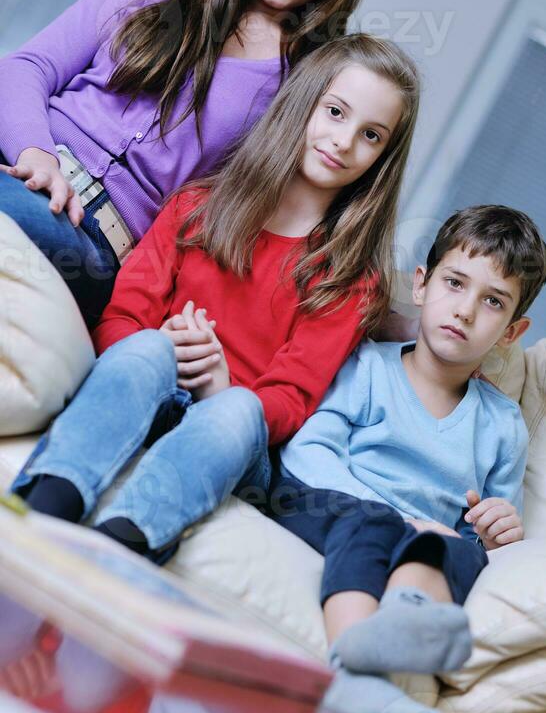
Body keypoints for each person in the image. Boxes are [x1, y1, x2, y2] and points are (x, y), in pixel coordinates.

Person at [11, 34, 420, 573]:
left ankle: (122, 544)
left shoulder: (348, 276)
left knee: (238, 410)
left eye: (370, 135)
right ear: (303, 105)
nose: (343, 141)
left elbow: (290, 398)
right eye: (335, 113)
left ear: (383, 159)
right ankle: (46, 504)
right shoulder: (198, 206)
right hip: (151, 389)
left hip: (233, 429)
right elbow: (119, 319)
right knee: (144, 352)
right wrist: (164, 347)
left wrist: (218, 384)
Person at [0, 0, 383, 327]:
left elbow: (299, 227)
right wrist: (35, 152)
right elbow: (26, 67)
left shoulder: (312, 87)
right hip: (19, 162)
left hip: (89, 237)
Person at [267, 205, 546, 713]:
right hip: (333, 505)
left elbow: (483, 532)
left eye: (492, 302)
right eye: (455, 283)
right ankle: (354, 671)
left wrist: (495, 532)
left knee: (455, 552)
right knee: (374, 523)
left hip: (422, 539)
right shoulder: (368, 366)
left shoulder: (502, 427)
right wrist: (399, 517)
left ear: (512, 331)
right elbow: (307, 454)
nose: (465, 310)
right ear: (421, 285)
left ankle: (405, 616)